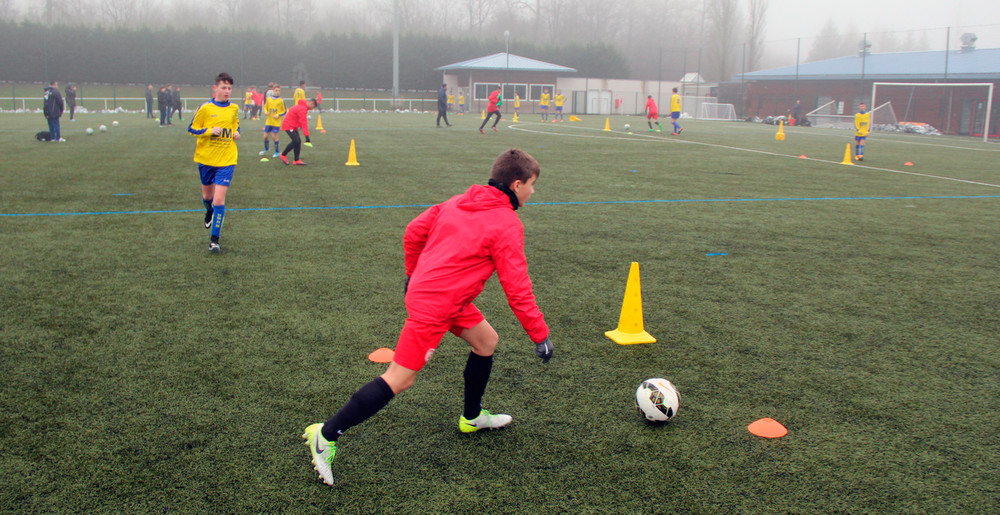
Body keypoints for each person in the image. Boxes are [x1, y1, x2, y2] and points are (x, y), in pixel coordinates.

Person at [302, 148, 554, 486]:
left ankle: (473, 417)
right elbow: (517, 287)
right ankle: (326, 434)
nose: (533, 192)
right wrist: (538, 333)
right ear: (517, 183)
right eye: (533, 185)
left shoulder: (456, 201)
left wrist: (412, 275)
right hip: (436, 306)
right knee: (400, 379)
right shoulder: (507, 222)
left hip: (442, 295)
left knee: (486, 340)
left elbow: (413, 232)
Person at [188, 72, 241, 253]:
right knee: (207, 197)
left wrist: (236, 133)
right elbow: (191, 129)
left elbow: (235, 125)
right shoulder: (205, 108)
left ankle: (214, 240)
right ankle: (208, 210)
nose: (227, 91)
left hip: (227, 159)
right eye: (224, 87)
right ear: (215, 88)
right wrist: (209, 130)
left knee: (219, 199)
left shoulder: (234, 108)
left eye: (229, 88)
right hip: (206, 159)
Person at [279, 97, 317, 165]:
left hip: (293, 126)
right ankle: (283, 154)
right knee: (296, 141)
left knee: (298, 141)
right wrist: (307, 136)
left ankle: (296, 160)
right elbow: (303, 123)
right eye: (313, 107)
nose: (312, 109)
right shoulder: (303, 108)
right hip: (289, 125)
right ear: (311, 103)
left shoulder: (302, 106)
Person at [261, 84, 285, 159]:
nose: (277, 92)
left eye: (279, 91)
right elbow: (265, 108)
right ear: (273, 90)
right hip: (269, 121)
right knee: (265, 136)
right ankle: (266, 148)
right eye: (276, 90)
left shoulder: (281, 100)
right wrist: (265, 112)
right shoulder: (269, 99)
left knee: (274, 136)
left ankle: (277, 152)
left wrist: (277, 115)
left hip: (276, 122)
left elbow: (284, 111)